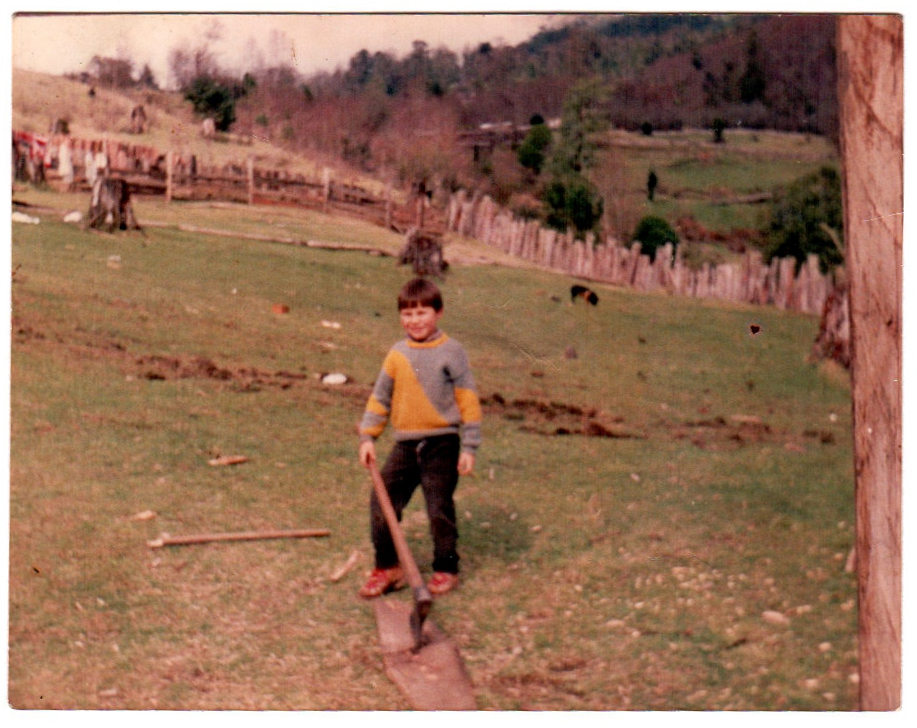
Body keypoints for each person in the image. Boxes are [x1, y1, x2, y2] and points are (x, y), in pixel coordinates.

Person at [358, 277, 482, 598]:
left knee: (438, 505)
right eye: (408, 314)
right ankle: (388, 567)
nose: (415, 321)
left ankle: (446, 567)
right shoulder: (397, 354)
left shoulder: (452, 351)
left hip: (442, 443)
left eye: (422, 313)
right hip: (406, 444)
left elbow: (468, 398)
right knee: (381, 500)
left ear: (438, 312)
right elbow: (380, 397)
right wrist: (368, 437)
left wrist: (469, 446)